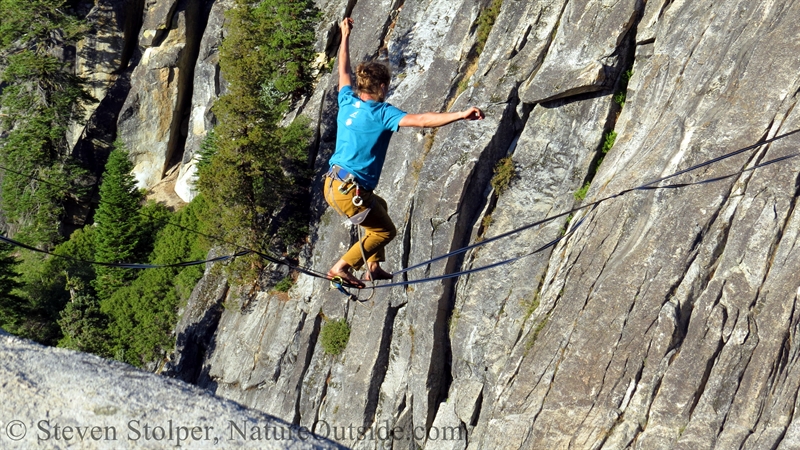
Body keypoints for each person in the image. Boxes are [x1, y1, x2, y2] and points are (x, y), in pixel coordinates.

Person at [325, 17, 484, 288]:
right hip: (351, 193)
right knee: (386, 231)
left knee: (381, 206)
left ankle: (373, 266)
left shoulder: (347, 99)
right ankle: (341, 267)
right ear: (383, 88)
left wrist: (345, 35)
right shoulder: (382, 113)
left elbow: (343, 71)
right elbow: (422, 120)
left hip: (331, 185)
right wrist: (460, 114)